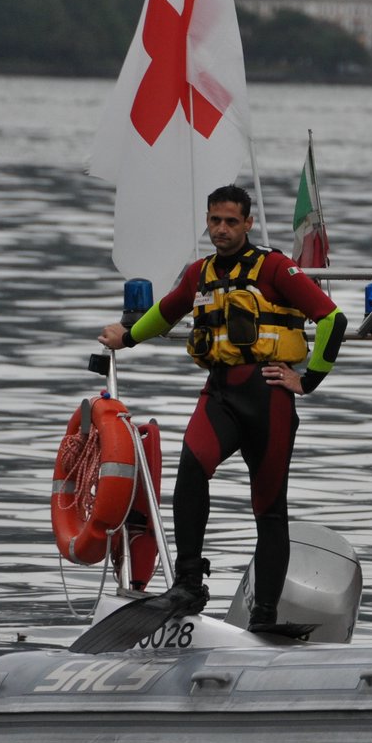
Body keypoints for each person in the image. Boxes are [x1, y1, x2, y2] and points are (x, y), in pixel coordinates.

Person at [99, 184, 345, 634]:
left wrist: (306, 380)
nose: (222, 230)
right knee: (191, 470)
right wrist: (127, 337)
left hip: (268, 398)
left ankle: (264, 617)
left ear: (248, 223)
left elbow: (333, 319)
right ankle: (190, 583)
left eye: (231, 222)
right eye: (215, 221)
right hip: (220, 395)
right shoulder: (199, 273)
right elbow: (166, 312)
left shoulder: (275, 267)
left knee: (269, 509)